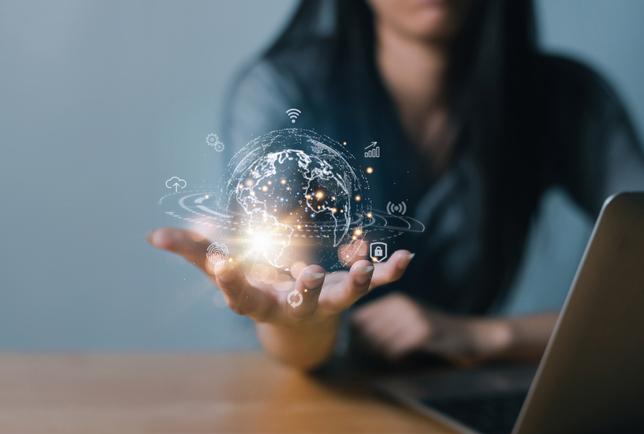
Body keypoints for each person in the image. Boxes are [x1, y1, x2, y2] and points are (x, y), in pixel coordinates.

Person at [148, 0, 644, 370]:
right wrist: (302, 318)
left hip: (466, 393)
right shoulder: (283, 91)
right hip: (314, 411)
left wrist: (487, 336)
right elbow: (290, 319)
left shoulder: (567, 100)